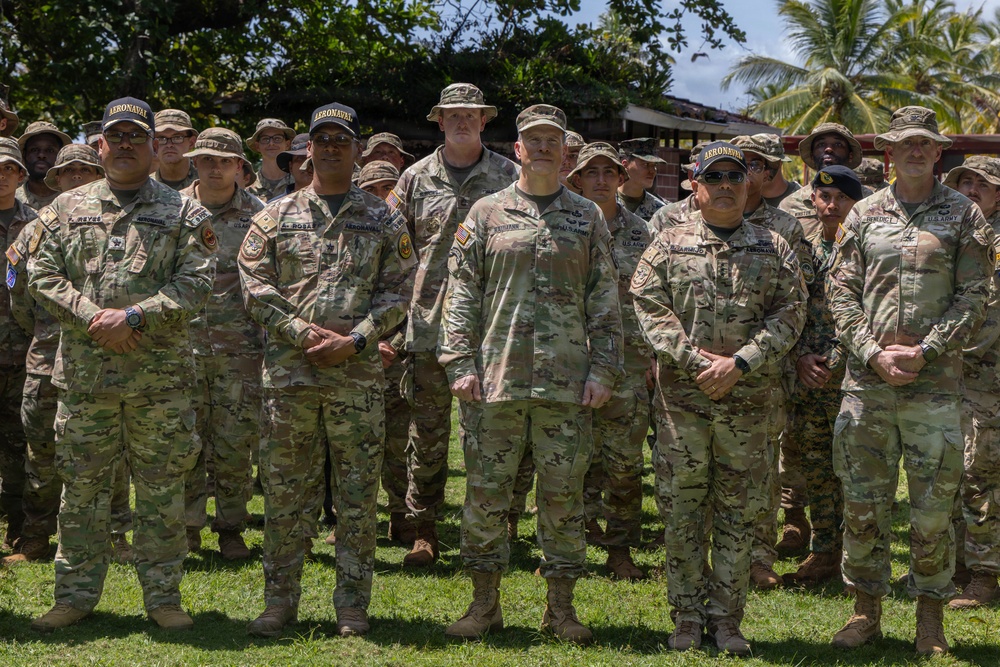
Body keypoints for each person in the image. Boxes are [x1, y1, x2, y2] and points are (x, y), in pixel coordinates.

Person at [27, 97, 217, 632]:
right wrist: (94, 317)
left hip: (160, 381)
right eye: (117, 136)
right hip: (86, 378)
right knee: (81, 489)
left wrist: (134, 316)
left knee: (162, 490)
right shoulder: (64, 208)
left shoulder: (185, 213)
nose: (126, 144)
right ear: (100, 146)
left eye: (137, 135)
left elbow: (198, 283)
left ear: (154, 146)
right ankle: (74, 596)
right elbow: (39, 274)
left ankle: (164, 598)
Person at [439, 104, 622, 645]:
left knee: (563, 500)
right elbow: (461, 294)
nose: (543, 148)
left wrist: (604, 369)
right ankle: (483, 606)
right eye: (533, 140)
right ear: (517, 149)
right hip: (495, 381)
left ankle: (560, 610)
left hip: (566, 385)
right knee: (486, 496)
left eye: (552, 141)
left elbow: (605, 300)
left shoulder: (587, 217)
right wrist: (458, 363)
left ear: (565, 153)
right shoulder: (486, 213)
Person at [240, 102, 415, 638]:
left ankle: (352, 605)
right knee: (286, 494)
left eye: (342, 140)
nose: (332, 148)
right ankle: (279, 603)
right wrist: (300, 332)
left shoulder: (384, 217)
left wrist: (357, 339)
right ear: (307, 150)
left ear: (358, 149)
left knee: (357, 495)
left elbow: (401, 290)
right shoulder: (275, 216)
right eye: (323, 140)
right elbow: (253, 285)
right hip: (290, 379)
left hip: (356, 380)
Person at [828, 106, 995, 656]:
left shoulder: (964, 214)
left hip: (935, 386)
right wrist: (872, 352)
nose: (916, 151)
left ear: (938, 151)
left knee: (933, 511)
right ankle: (864, 612)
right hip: (868, 386)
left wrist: (927, 350)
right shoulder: (863, 213)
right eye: (906, 143)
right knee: (863, 505)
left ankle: (930, 621)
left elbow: (975, 295)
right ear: (889, 152)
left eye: (925, 143)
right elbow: (840, 291)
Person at [631, 141, 806, 655]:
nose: (725, 185)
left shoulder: (774, 246)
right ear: (696, 184)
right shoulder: (668, 242)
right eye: (714, 177)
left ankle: (727, 620)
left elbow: (791, 312)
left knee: (739, 515)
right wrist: (694, 361)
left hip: (748, 404)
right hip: (683, 405)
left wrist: (741, 362)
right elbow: (648, 303)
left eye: (734, 176)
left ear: (748, 183)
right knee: (682, 513)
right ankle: (686, 617)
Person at [388, 83, 518, 567]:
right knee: (427, 434)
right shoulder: (414, 179)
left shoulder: (510, 176)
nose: (462, 121)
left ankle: (498, 523)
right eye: (453, 114)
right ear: (439, 121)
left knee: (493, 433)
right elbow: (393, 249)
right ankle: (424, 530)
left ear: (484, 121)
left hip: (492, 326)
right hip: (428, 324)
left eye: (471, 114)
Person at [3, 143, 126, 566]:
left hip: (102, 359)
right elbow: (20, 296)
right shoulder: (35, 230)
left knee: (108, 454)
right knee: (41, 453)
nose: (76, 178)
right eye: (68, 172)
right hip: (46, 358)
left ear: (98, 178)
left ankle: (113, 537)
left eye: (84, 171)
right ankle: (36, 538)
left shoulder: (120, 229)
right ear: (55, 181)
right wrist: (44, 332)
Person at [730, 133, 815, 589]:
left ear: (769, 174)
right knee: (693, 465)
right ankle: (698, 554)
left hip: (765, 367)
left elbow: (799, 298)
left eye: (757, 165)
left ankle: (759, 557)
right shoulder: (677, 219)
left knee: (761, 468)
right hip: (696, 369)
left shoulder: (785, 227)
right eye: (739, 163)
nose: (746, 173)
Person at [179, 128, 265, 560]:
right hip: (183, 345)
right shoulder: (172, 208)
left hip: (241, 349)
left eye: (225, 160)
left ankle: (231, 528)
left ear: (239, 166)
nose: (215, 168)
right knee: (186, 439)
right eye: (207, 159)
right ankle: (187, 526)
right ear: (195, 162)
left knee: (235, 441)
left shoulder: (260, 214)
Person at [568, 142, 652, 580]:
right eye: (591, 172)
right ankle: (571, 547)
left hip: (628, 362)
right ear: (578, 179)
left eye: (608, 172)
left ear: (622, 178)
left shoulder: (643, 232)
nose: (600, 180)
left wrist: (654, 355)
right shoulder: (564, 223)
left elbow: (658, 298)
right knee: (570, 459)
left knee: (625, 463)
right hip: (571, 357)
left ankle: (620, 550)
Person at [782, 165, 863, 585]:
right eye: (825, 196)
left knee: (854, 469)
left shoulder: (865, 248)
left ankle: (857, 555)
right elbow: (787, 306)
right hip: (808, 377)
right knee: (815, 466)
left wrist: (836, 358)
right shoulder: (802, 249)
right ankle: (824, 550)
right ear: (812, 198)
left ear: (856, 203)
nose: (832, 205)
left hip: (852, 378)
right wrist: (800, 357)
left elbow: (870, 312)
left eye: (842, 198)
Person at [941, 155, 1000, 608]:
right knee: (948, 470)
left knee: (982, 473)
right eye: (965, 182)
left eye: (982, 183)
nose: (972, 190)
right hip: (946, 373)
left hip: (987, 377)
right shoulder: (950, 232)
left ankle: (985, 574)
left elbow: (987, 312)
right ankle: (957, 563)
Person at [0, 137, 36, 553]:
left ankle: (18, 528)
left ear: (21, 175)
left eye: (9, 168)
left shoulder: (37, 223)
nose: (2, 176)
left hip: (22, 351)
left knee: (17, 448)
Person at [779, 122, 867, 238]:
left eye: (838, 144)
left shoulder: (869, 201)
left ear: (850, 155)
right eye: (821, 144)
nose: (829, 149)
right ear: (811, 155)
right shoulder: (790, 205)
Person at [15, 121, 71, 210]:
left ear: (60, 156)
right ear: (24, 154)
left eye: (50, 150)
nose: (41, 155)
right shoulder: (10, 200)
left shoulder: (73, 201)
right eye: (34, 150)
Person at [246, 118, 295, 202]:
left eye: (277, 138)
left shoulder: (300, 183)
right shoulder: (247, 186)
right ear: (257, 146)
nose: (271, 143)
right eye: (265, 139)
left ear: (287, 144)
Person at [617, 137, 665, 221]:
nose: (652, 171)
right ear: (625, 165)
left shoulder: (661, 211)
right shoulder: (603, 202)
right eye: (645, 164)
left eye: (654, 165)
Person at [151, 109, 198, 190]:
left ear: (191, 143)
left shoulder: (206, 183)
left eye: (177, 137)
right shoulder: (143, 187)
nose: (169, 145)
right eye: (161, 138)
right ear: (154, 145)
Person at [758, 133, 800, 207]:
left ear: (779, 163)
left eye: (767, 163)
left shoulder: (802, 196)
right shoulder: (743, 199)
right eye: (754, 164)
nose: (761, 169)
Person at [272, 133, 312, 199]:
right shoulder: (274, 205)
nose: (307, 163)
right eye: (300, 158)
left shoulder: (331, 203)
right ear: (291, 167)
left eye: (311, 159)